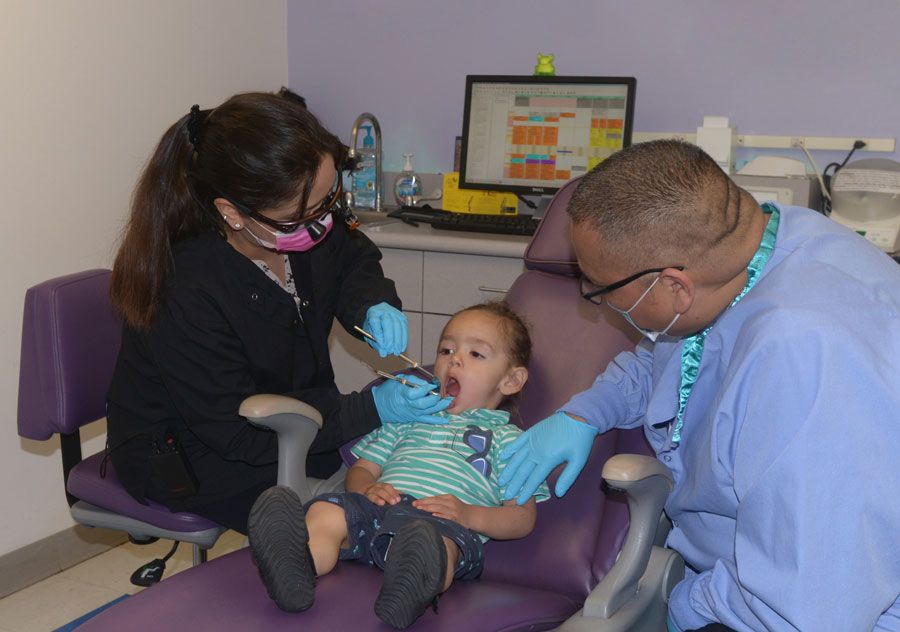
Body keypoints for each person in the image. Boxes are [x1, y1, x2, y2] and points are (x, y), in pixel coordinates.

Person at [499, 140, 900, 631]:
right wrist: (586, 412)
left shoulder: (808, 364)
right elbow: (667, 361)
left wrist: (679, 606)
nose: (590, 299)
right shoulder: (756, 249)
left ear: (674, 287)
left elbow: (810, 607)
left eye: (600, 289)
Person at [106, 89, 451, 534]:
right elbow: (236, 431)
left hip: (297, 420)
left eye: (329, 200)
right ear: (231, 213)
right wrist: (370, 409)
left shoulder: (297, 227)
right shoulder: (185, 287)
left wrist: (371, 303)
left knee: (410, 471)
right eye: (301, 214)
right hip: (199, 456)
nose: (322, 222)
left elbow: (350, 257)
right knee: (353, 527)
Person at [246, 301, 550, 629]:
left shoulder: (512, 441)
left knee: (436, 546)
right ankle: (296, 569)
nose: (454, 359)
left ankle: (410, 588)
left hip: (443, 522)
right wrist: (366, 488)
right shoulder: (407, 417)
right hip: (376, 511)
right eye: (446, 349)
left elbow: (521, 517)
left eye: (476, 354)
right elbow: (362, 470)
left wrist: (469, 515)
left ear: (511, 380)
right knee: (326, 514)